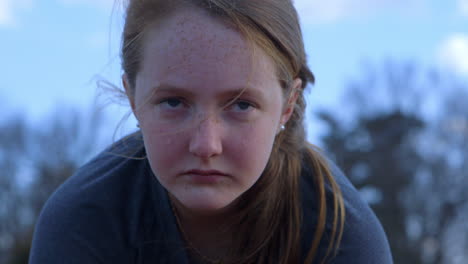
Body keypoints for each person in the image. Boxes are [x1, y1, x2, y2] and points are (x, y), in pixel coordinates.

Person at [29, 0, 393, 263]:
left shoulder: (336, 237)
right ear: (133, 97)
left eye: (241, 105)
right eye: (174, 102)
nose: (206, 144)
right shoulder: (83, 224)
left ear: (287, 103)